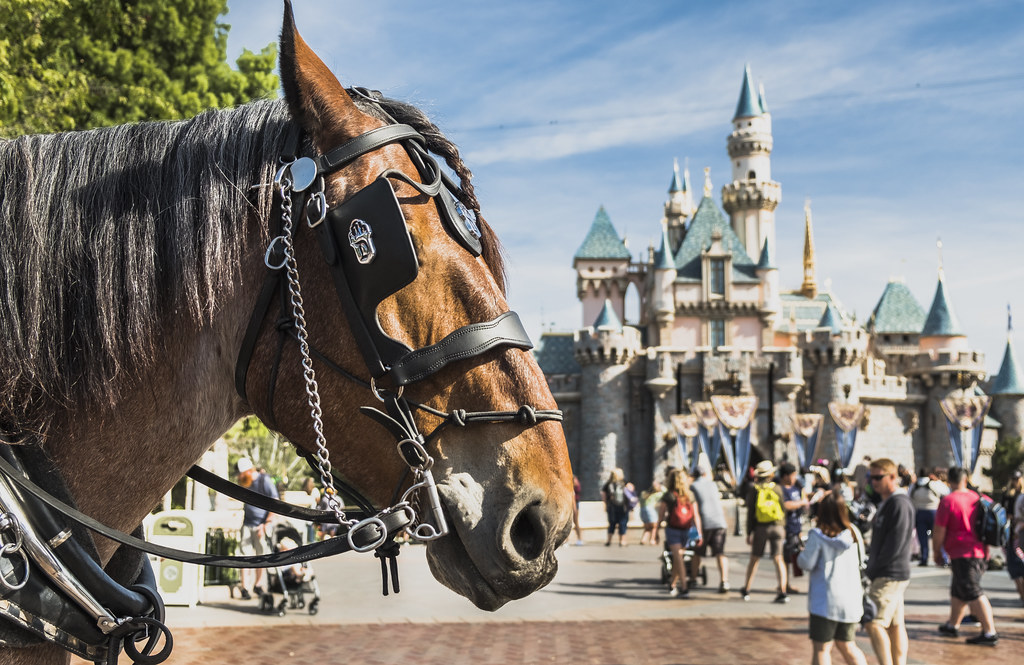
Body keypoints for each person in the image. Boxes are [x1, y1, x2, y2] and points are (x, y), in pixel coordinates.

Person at [796, 489, 869, 665]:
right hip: (851, 599)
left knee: (822, 649)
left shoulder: (818, 535)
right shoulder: (853, 532)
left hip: (825, 601)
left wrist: (800, 553)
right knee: (848, 645)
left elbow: (806, 563)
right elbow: (861, 560)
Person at [933, 466, 998, 646]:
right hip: (979, 551)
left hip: (963, 552)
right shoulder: (978, 498)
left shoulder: (948, 501)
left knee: (972, 590)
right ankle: (952, 625)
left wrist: (937, 552)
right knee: (958, 590)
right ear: (965, 479)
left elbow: (939, 530)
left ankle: (989, 632)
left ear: (949, 481)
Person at [864, 458, 914, 665]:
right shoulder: (888, 502)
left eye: (878, 477)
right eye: (871, 477)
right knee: (894, 624)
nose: (873, 482)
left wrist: (874, 569)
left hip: (889, 573)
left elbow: (895, 543)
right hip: (890, 572)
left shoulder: (899, 503)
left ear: (892, 477)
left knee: (873, 622)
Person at [740, 460, 789, 603]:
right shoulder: (778, 488)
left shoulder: (754, 489)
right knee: (778, 558)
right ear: (771, 474)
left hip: (761, 527)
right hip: (777, 526)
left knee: (755, 558)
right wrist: (783, 526)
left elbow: (751, 513)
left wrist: (749, 532)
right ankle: (783, 590)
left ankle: (747, 588)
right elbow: (783, 509)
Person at [236, 457, 279, 600]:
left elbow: (275, 502)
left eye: (241, 474)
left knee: (261, 556)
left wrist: (266, 524)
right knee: (244, 556)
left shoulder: (264, 480)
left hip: (262, 524)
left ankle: (258, 584)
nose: (239, 477)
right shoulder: (245, 482)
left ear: (249, 471)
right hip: (247, 523)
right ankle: (245, 587)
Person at [657, 468, 702, 597]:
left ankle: (683, 587)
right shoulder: (690, 495)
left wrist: (656, 531)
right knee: (679, 558)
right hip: (687, 529)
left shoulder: (669, 495)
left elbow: (661, 515)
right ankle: (673, 584)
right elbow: (696, 515)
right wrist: (699, 533)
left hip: (673, 529)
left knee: (678, 558)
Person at [690, 462, 730, 593]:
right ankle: (724, 581)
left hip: (704, 522)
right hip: (719, 522)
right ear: (704, 474)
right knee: (720, 553)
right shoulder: (713, 484)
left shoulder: (692, 486)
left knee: (697, 552)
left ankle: (694, 579)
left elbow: (693, 507)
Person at [780, 461, 809, 593]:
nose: (794, 478)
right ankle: (785, 584)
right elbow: (786, 505)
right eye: (792, 475)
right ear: (785, 476)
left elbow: (805, 500)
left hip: (797, 527)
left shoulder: (797, 487)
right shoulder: (781, 489)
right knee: (786, 558)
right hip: (786, 528)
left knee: (795, 555)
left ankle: (787, 583)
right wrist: (800, 503)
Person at [909, 467, 948, 567]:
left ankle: (924, 558)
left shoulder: (914, 485)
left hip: (919, 512)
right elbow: (946, 491)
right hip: (934, 512)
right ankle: (943, 558)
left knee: (922, 538)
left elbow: (909, 496)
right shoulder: (934, 484)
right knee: (938, 536)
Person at [601, 468, 630, 546]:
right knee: (623, 523)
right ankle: (622, 541)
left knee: (612, 523)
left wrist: (606, 505)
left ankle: (609, 540)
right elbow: (630, 493)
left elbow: (603, 495)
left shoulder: (608, 484)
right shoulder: (624, 483)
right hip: (623, 507)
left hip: (612, 507)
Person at [1010, 473, 1024, 606]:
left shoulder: (1021, 497)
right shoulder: (1017, 496)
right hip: (1018, 534)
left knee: (1018, 562)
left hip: (1019, 534)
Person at [638, 480, 665, 546]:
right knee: (654, 527)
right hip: (650, 510)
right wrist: (661, 486)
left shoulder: (643, 493)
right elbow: (665, 493)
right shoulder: (656, 494)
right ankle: (652, 540)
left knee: (647, 528)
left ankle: (643, 540)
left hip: (642, 510)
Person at [571, 475, 584, 546]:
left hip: (575, 504)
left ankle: (579, 539)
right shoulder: (576, 484)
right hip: (575, 503)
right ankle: (579, 539)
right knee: (575, 523)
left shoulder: (573, 483)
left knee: (575, 522)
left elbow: (573, 499)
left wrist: (575, 509)